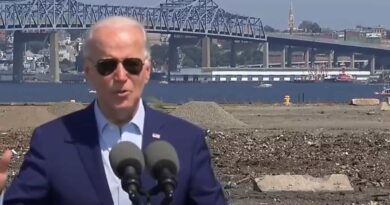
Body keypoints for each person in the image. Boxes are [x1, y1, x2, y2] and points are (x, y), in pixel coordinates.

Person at [2, 16, 227, 205]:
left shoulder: (187, 141)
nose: (120, 76)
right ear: (88, 73)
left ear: (147, 71)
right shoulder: (51, 141)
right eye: (107, 66)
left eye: (132, 65)